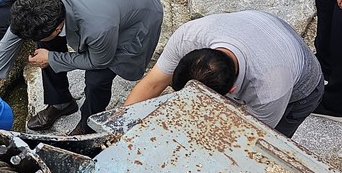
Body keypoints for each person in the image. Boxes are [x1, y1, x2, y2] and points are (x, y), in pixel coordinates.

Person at [0, 0, 163, 136]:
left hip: (140, 11)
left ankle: (88, 124)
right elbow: (13, 34)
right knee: (43, 42)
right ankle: (61, 102)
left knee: (97, 78)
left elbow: (98, 61)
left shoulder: (98, 27)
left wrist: (52, 58)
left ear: (58, 28)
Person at [124, 10, 323, 138]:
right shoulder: (189, 37)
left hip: (301, 90)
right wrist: (120, 129)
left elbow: (250, 140)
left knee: (269, 153)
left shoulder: (269, 89)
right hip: (261, 30)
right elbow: (152, 84)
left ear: (233, 91)